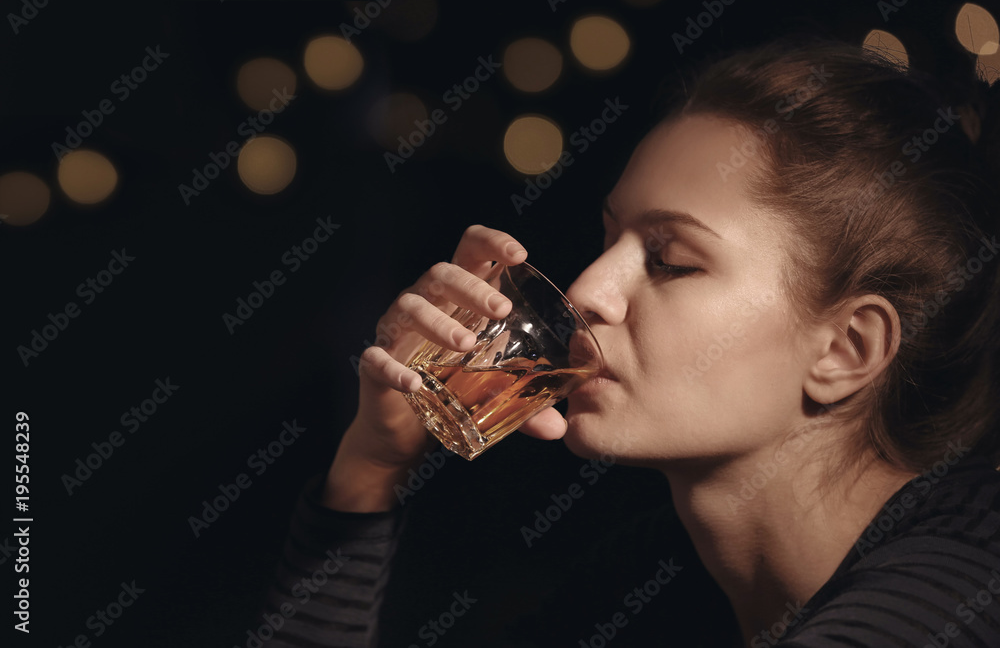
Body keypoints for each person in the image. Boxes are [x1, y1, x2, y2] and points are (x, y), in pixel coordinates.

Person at [257, 35, 1000, 647]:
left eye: (671, 260)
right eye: (609, 237)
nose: (585, 290)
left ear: (845, 349)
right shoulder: (652, 582)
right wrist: (367, 473)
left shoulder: (959, 591)